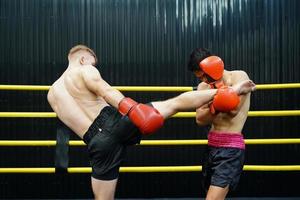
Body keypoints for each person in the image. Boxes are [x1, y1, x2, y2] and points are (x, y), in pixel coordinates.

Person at [47, 44, 255, 200]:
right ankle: (230, 91)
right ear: (84, 58)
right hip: (115, 123)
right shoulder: (85, 70)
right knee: (174, 104)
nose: (94, 65)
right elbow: (105, 90)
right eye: (93, 62)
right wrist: (132, 108)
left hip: (95, 143)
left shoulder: (52, 94)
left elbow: (64, 128)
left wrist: (65, 157)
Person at [187, 48, 255, 200]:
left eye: (204, 76)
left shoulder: (239, 76)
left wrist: (212, 101)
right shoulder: (203, 87)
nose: (203, 81)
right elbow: (200, 119)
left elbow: (233, 110)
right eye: (200, 77)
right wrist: (221, 100)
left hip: (231, 149)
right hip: (211, 146)